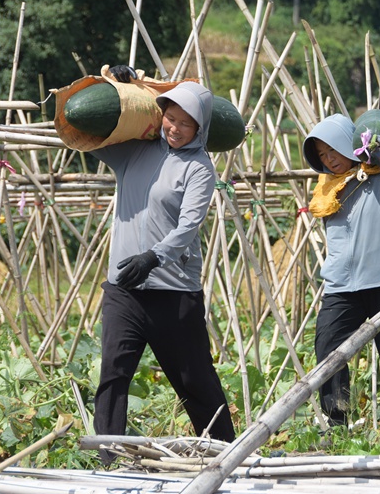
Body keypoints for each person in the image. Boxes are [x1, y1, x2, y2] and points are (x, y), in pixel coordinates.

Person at [91, 66, 235, 463]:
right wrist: (117, 86)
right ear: (161, 115)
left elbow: (189, 225)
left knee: (194, 380)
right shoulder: (134, 151)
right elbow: (91, 130)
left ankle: (227, 454)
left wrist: (154, 257)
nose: (175, 128)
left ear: (200, 128)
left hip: (173, 292)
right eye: (171, 118)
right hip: (124, 289)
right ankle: (108, 461)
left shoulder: (199, 168)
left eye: (186, 124)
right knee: (114, 375)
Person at [302, 113, 380, 435]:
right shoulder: (327, 189)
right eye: (322, 156)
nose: (330, 160)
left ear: (350, 145)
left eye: (333, 151)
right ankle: (337, 421)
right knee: (328, 348)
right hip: (342, 283)